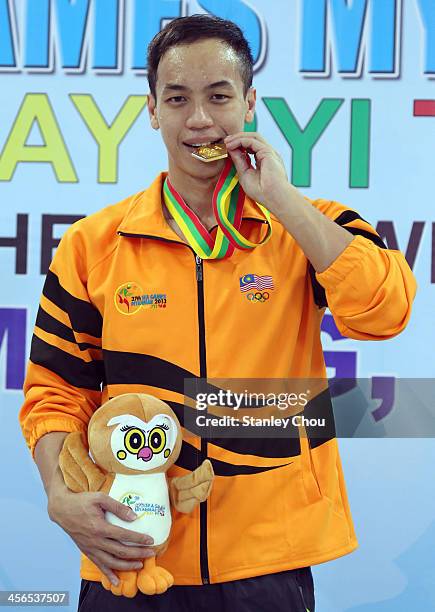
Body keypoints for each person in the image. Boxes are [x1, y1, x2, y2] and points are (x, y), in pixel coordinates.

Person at [19, 14, 416, 612]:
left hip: (269, 557)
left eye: (219, 96)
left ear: (250, 103)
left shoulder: (307, 229)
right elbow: (54, 390)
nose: (200, 119)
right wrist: (59, 494)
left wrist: (280, 198)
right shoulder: (93, 243)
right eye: (177, 99)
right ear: (152, 110)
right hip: (130, 549)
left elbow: (386, 311)